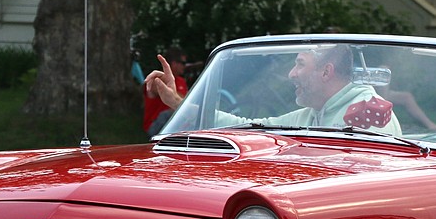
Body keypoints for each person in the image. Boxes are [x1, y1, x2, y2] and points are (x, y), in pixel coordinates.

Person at [144, 43, 402, 135]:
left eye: (300, 64)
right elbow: (247, 127)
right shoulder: (314, 114)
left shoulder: (366, 112)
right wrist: (178, 103)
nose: (291, 74)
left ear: (326, 72)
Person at [143, 46, 188, 135]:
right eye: (183, 63)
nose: (185, 66)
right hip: (155, 126)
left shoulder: (181, 81)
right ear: (174, 63)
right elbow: (187, 102)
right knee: (171, 113)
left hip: (176, 126)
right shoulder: (157, 79)